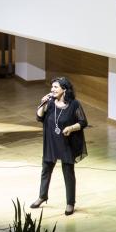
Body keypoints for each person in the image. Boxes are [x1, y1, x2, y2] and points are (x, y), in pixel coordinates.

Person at [31, 77, 88, 215]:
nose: (52, 89)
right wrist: (42, 103)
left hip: (66, 143)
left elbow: (83, 122)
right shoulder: (50, 103)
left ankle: (70, 203)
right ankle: (42, 196)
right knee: (46, 170)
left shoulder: (74, 104)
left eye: (55, 87)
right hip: (51, 142)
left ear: (64, 89)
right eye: (52, 87)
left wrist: (71, 128)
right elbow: (39, 117)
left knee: (68, 173)